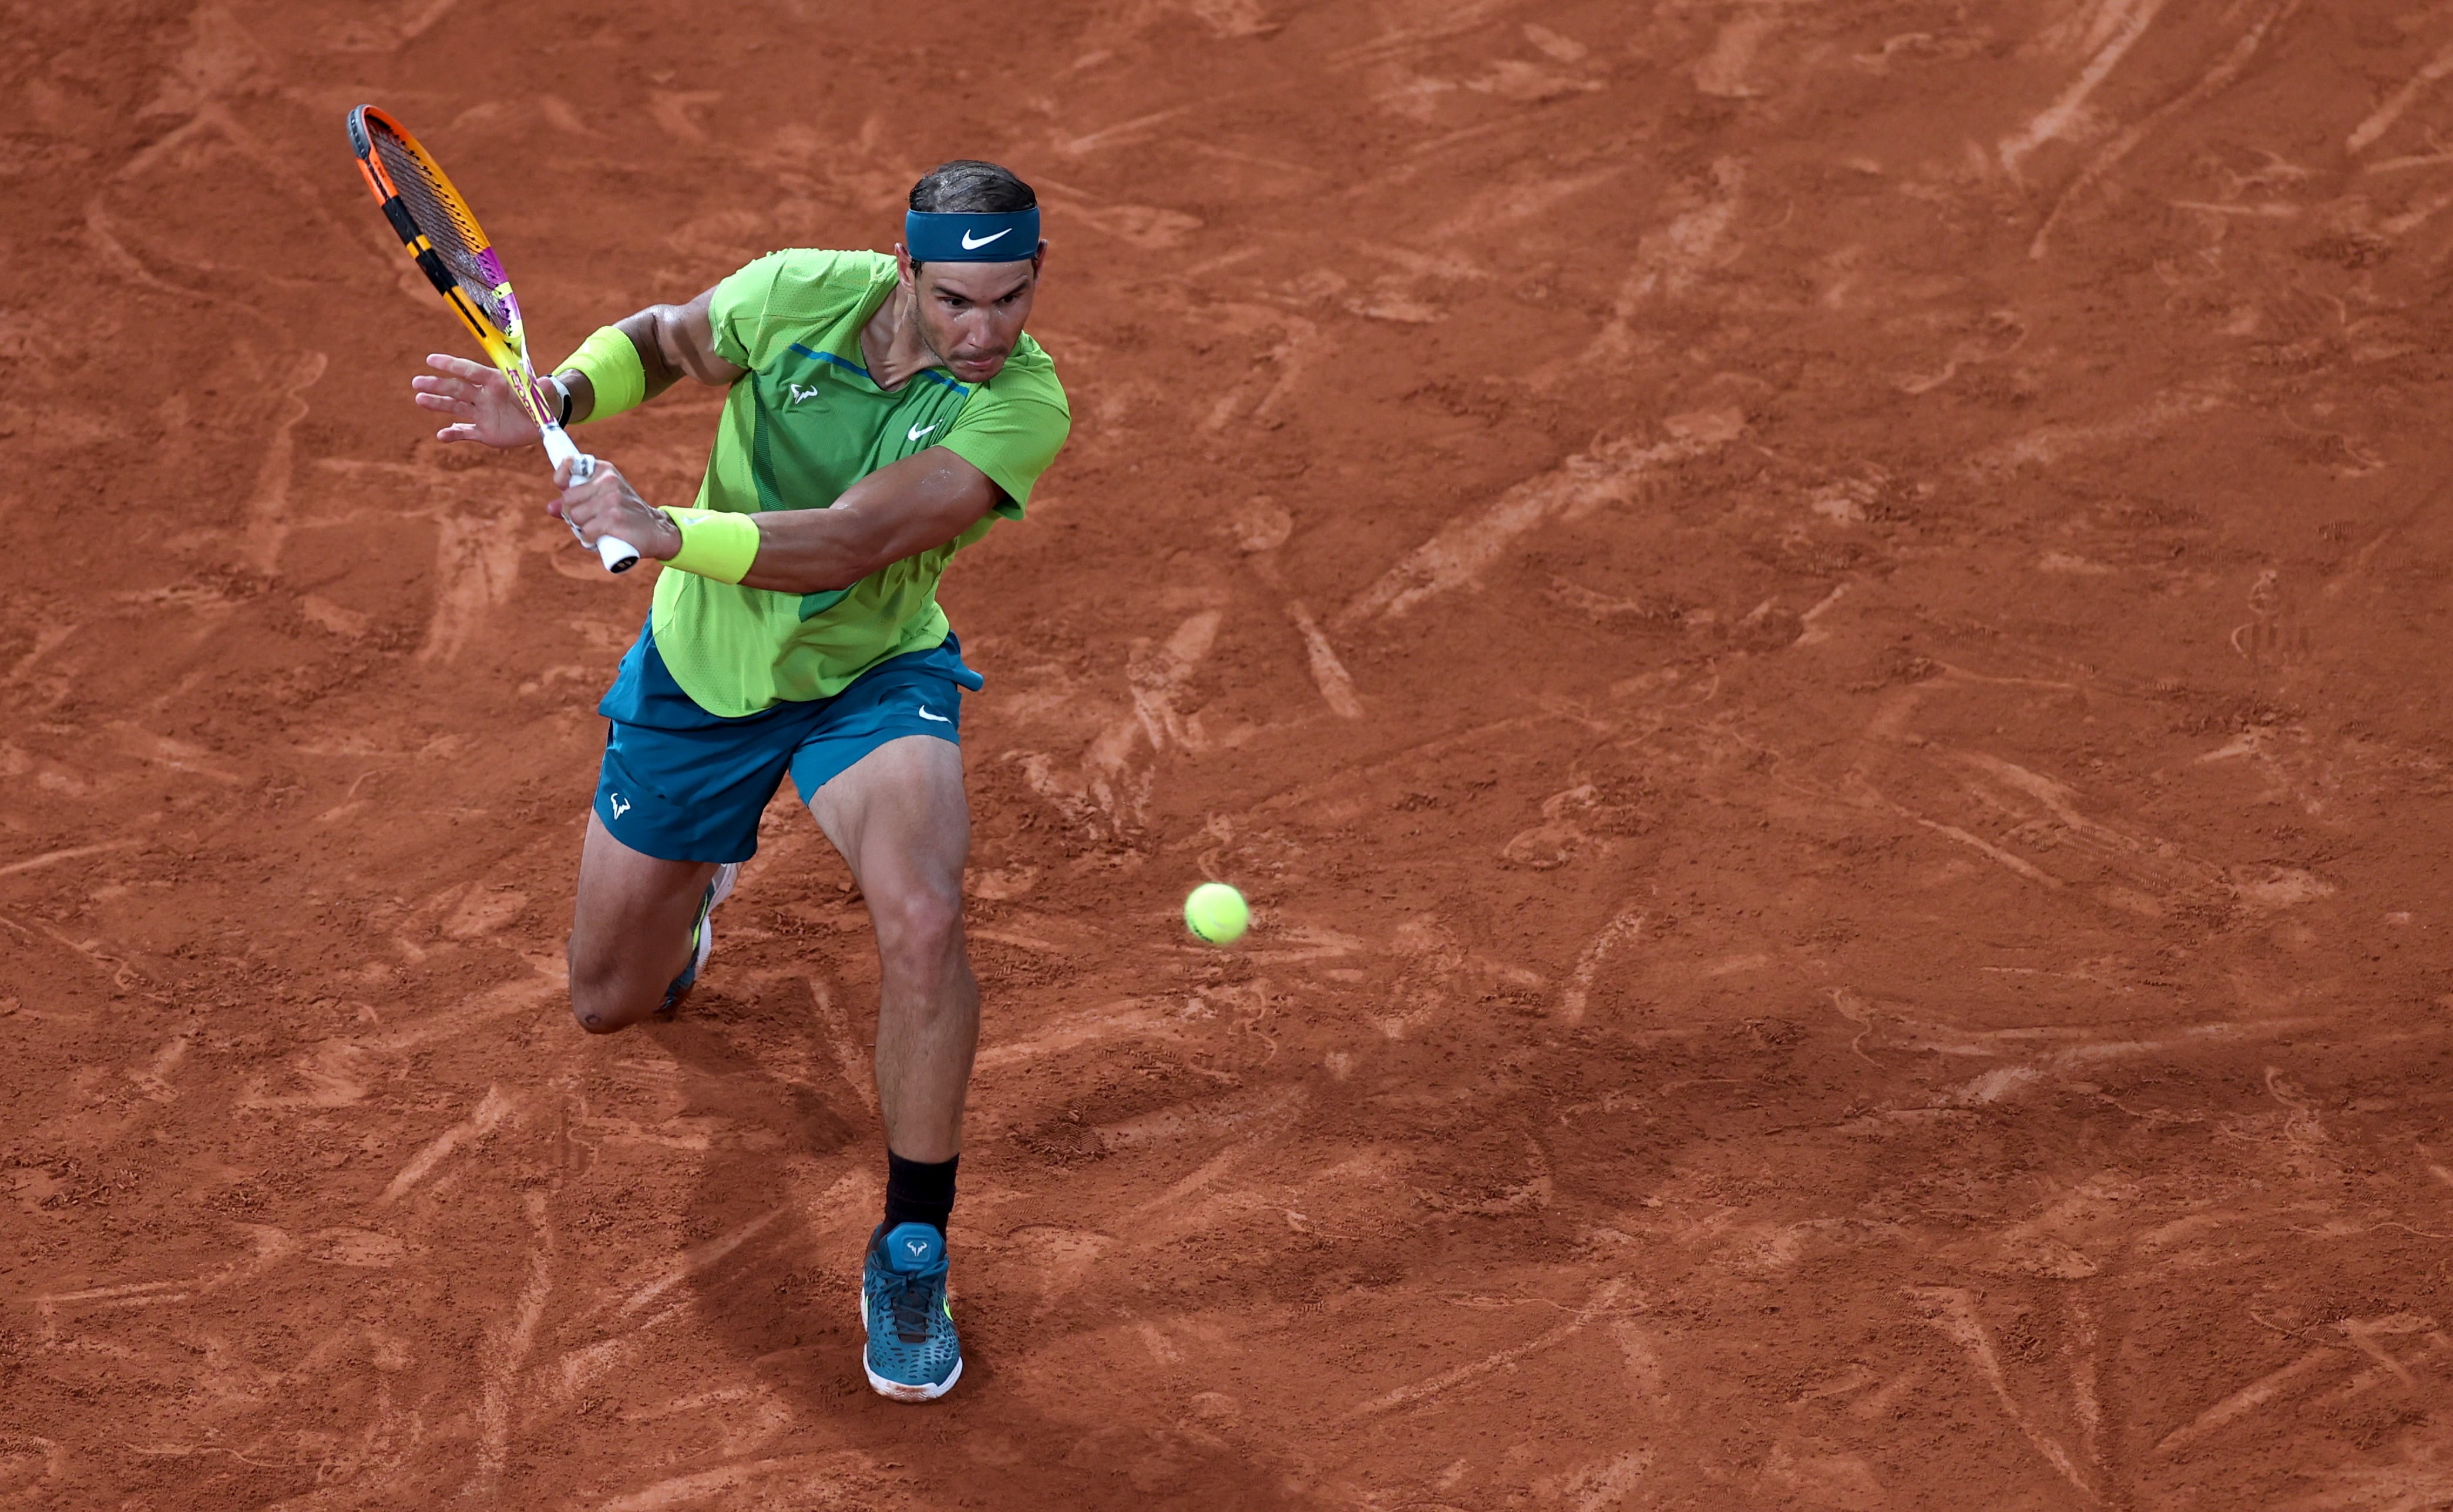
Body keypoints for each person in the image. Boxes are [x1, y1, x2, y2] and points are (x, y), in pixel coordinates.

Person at [404, 159, 1069, 1403]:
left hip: (869, 678)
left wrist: (662, 530)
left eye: (1012, 300)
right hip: (701, 674)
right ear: (905, 268)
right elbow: (667, 344)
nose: (985, 331)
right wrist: (557, 392)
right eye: (957, 300)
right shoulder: (798, 295)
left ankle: (912, 1244)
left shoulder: (1021, 407)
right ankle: (689, 903)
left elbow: (860, 539)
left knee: (924, 918)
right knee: (610, 1002)